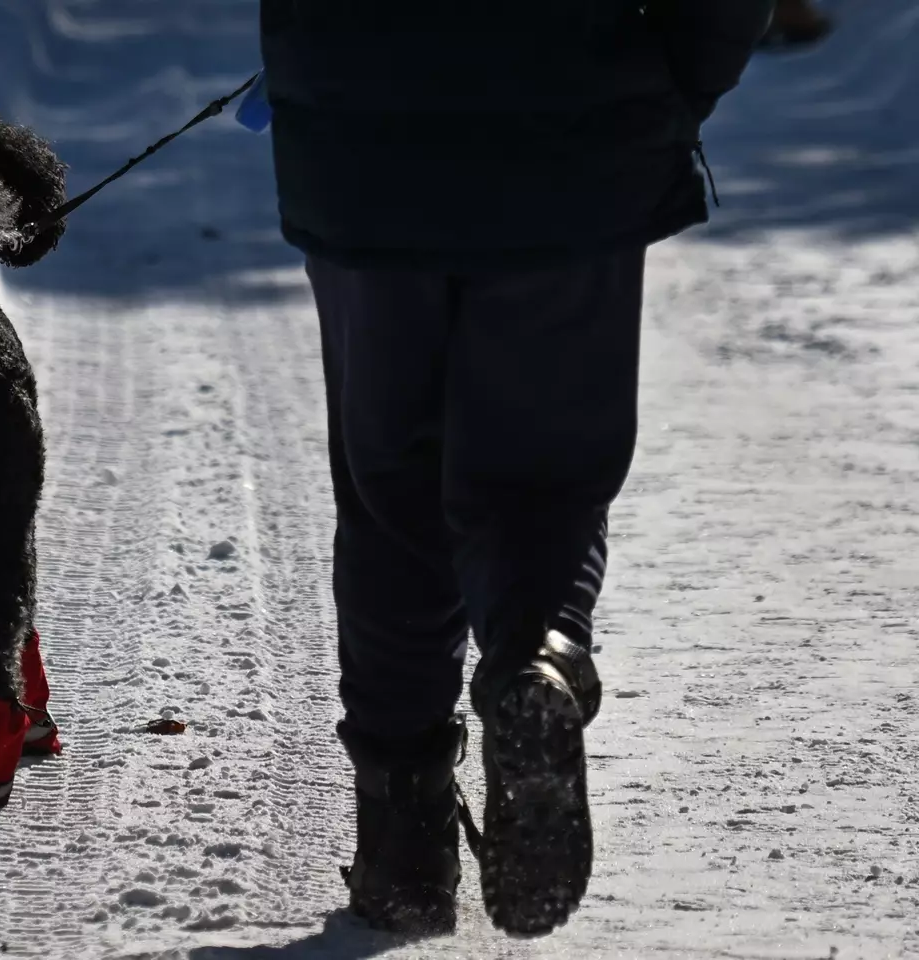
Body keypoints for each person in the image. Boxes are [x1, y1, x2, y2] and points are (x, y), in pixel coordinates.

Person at [258, 0, 774, 938]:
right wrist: (670, 88)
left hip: (362, 144)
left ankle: (404, 849)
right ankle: (535, 662)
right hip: (574, 133)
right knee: (543, 477)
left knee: (391, 500)